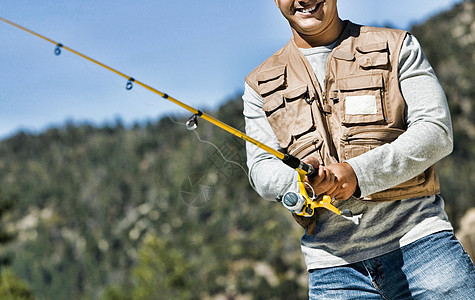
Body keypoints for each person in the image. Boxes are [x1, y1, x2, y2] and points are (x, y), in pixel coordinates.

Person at [242, 0, 475, 298]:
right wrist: (304, 182)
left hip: (425, 248)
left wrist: (356, 174)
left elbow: (436, 131)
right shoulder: (257, 85)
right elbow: (261, 168)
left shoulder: (398, 46)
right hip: (333, 273)